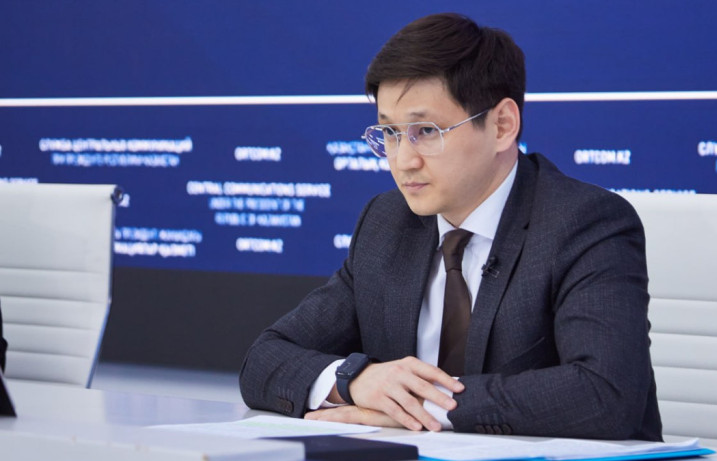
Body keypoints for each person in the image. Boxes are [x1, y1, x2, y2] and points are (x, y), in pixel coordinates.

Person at [240, 12, 662, 440]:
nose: (403, 160)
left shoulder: (586, 224)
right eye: (389, 133)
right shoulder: (387, 223)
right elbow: (263, 360)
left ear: (502, 125)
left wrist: (420, 408)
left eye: (426, 130)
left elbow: (606, 396)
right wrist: (355, 381)